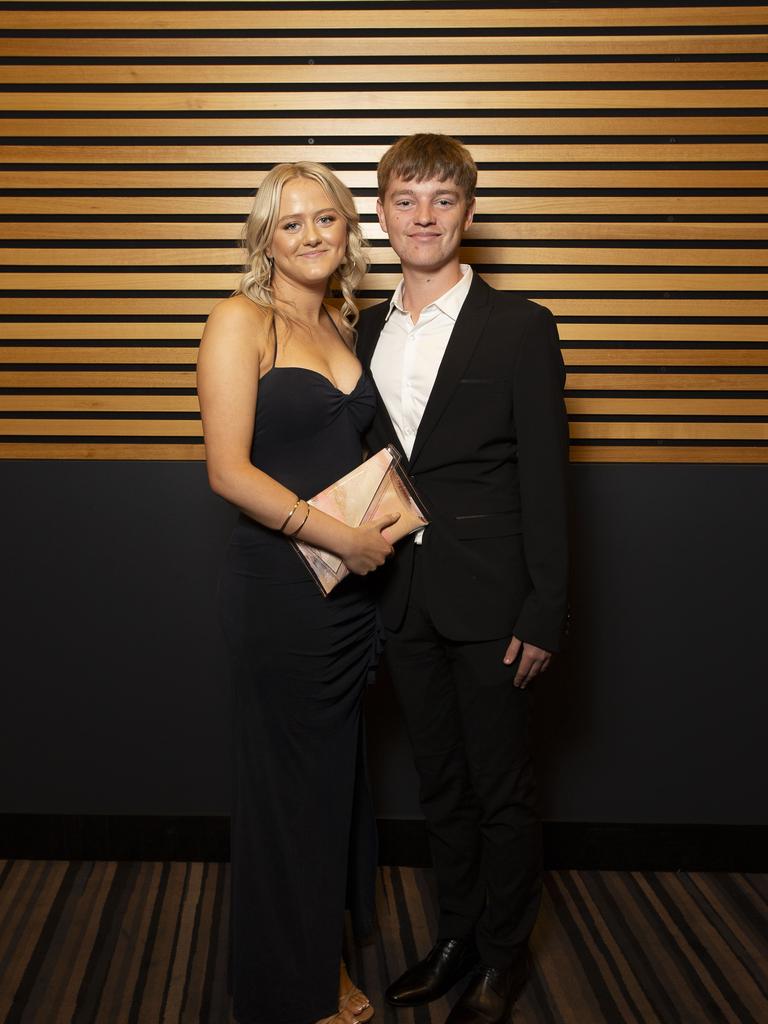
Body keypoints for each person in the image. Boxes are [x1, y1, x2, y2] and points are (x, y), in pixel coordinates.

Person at [356, 135, 569, 1023]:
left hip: (493, 601)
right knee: (439, 781)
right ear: (383, 214)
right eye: (407, 201)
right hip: (397, 596)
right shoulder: (364, 325)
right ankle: (455, 934)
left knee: (501, 786)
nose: (425, 218)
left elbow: (549, 480)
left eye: (444, 200)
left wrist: (546, 608)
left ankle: (502, 952)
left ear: (469, 214)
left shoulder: (520, 325)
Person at [197, 161, 399, 1024]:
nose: (314, 236)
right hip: (284, 590)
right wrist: (343, 541)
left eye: (328, 220)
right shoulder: (240, 322)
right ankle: (299, 984)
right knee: (289, 790)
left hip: (352, 598)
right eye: (293, 224)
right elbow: (229, 473)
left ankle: (324, 953)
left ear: (348, 233)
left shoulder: (350, 328)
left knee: (333, 786)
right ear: (264, 240)